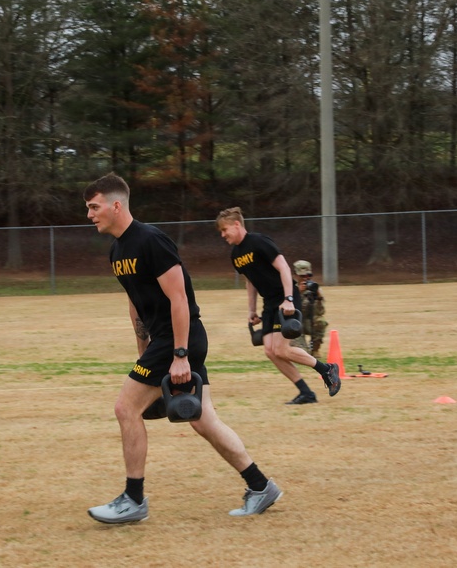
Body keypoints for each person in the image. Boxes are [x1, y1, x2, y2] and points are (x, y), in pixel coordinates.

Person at [84, 174, 281, 523]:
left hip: (180, 340)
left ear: (116, 205)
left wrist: (179, 354)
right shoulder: (118, 250)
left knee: (125, 409)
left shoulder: (151, 240)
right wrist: (141, 348)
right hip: (162, 342)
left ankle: (133, 499)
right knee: (204, 421)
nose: (89, 215)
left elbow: (180, 298)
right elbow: (136, 301)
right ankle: (260, 486)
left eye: (94, 207)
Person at [216, 207, 341, 405]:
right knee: (270, 350)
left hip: (285, 298)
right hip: (269, 303)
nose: (223, 235)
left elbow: (283, 267)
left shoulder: (259, 242)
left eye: (224, 230)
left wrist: (289, 299)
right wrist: (251, 310)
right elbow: (251, 282)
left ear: (236, 225)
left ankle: (327, 369)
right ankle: (306, 393)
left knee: (281, 350)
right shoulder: (236, 255)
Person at [290, 260, 328, 357]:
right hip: (294, 323)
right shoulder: (289, 288)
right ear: (295, 275)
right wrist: (298, 293)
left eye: (308, 275)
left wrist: (319, 298)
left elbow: (320, 312)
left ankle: (315, 349)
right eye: (302, 276)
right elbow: (287, 310)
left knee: (320, 321)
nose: (305, 278)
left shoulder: (314, 288)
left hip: (308, 322)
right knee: (303, 355)